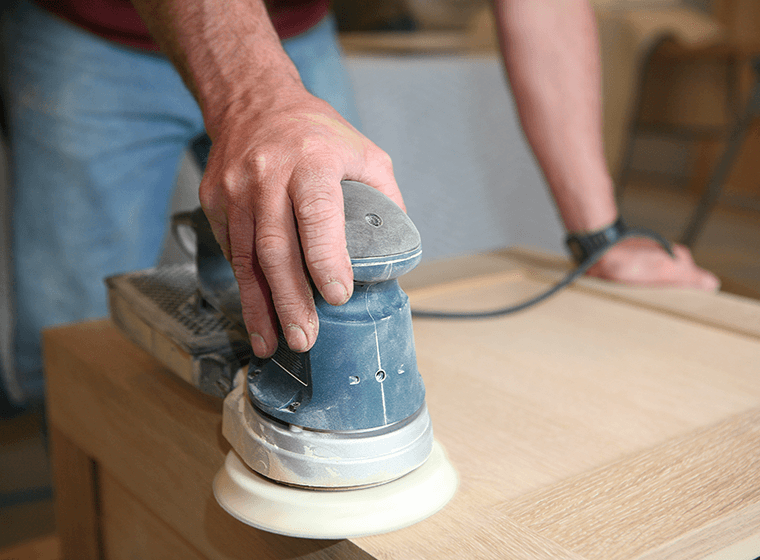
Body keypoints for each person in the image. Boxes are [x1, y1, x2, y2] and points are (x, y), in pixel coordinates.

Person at [0, 0, 718, 411]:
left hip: (293, 23)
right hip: (88, 30)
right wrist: (254, 97)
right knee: (71, 339)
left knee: (331, 256)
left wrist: (600, 235)